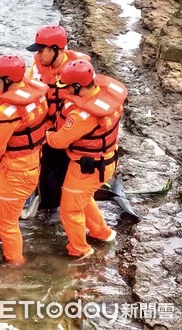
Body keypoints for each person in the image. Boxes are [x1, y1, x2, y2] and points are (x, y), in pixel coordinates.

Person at [46, 60, 126, 258]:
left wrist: (47, 132)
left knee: (70, 210)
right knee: (83, 198)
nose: (66, 91)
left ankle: (80, 250)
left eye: (68, 87)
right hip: (105, 161)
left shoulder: (83, 116)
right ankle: (102, 233)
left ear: (77, 86)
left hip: (87, 167)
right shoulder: (106, 97)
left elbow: (58, 141)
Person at [0, 55, 49, 266]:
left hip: (17, 171)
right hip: (20, 165)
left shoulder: (7, 112)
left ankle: (14, 267)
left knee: (7, 222)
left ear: (7, 80)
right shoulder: (36, 96)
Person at [26, 25, 92, 215]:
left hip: (69, 130)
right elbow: (28, 90)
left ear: (55, 50)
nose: (38, 55)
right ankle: (46, 206)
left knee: (59, 171)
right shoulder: (37, 67)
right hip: (47, 127)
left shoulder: (78, 71)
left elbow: (88, 105)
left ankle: (57, 210)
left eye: (41, 50)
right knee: (45, 171)